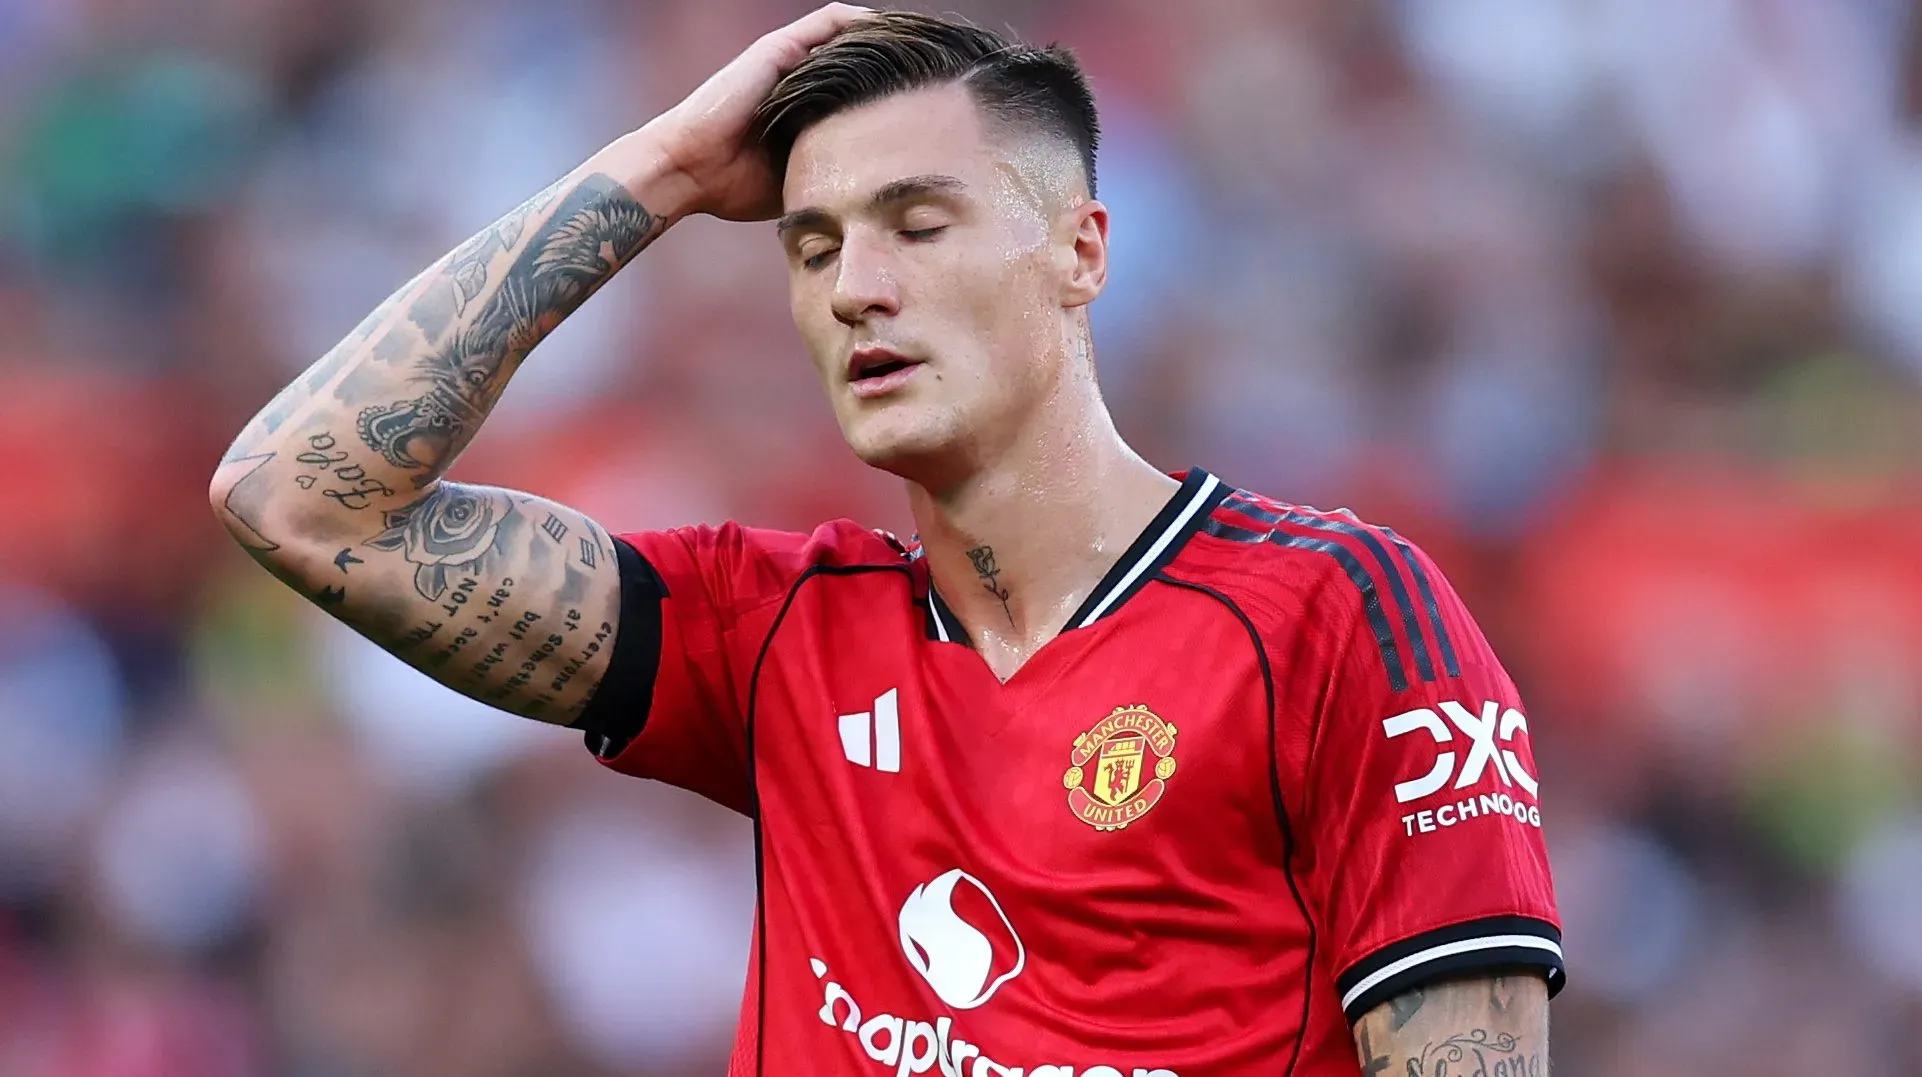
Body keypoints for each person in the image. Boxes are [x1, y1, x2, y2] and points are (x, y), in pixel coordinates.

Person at [209, 6, 1562, 1075]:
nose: (858, 287)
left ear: (1082, 251)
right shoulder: (780, 631)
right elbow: (298, 498)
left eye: (918, 224)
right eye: (809, 248)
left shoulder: (1336, 616)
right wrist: (664, 168)